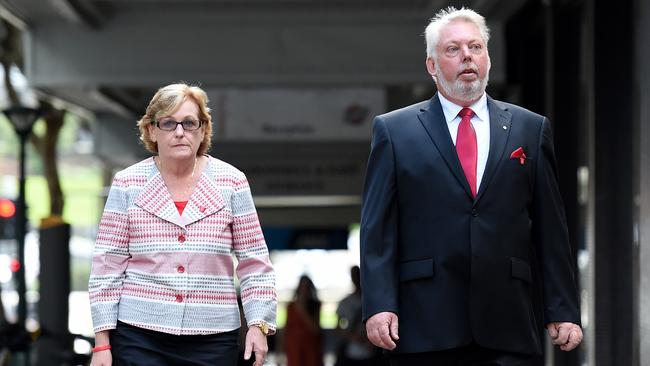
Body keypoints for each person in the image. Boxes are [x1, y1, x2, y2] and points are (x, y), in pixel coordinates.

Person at [360, 7, 583, 365]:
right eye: (453, 49)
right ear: (432, 65)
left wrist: (563, 307)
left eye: (476, 47)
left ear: (489, 59)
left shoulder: (530, 128)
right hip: (425, 323)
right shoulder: (394, 131)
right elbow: (377, 228)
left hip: (508, 318)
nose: (467, 56)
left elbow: (550, 227)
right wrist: (379, 305)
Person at [88, 83, 276, 366]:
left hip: (213, 337)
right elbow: (108, 264)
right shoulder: (127, 183)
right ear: (151, 130)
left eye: (189, 123)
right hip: (140, 336)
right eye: (168, 123)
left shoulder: (232, 182)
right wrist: (102, 344)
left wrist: (258, 324)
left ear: (203, 130)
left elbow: (255, 263)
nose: (179, 132)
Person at [334, 266, 384, 366]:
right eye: (354, 275)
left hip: (371, 351)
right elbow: (337, 328)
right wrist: (352, 337)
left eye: (358, 275)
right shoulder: (345, 302)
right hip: (350, 352)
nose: (356, 278)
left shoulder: (372, 300)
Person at [283, 275, 323, 366]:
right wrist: (280, 351)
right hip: (294, 349)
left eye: (307, 287)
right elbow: (286, 329)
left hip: (311, 349)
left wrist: (302, 310)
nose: (304, 290)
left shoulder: (316, 305)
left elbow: (315, 328)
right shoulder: (291, 306)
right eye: (302, 287)